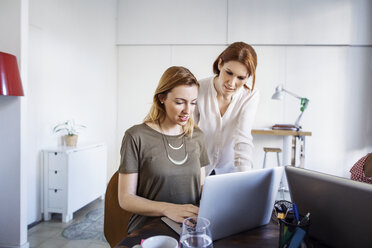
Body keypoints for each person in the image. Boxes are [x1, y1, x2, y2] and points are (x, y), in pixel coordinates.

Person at [117, 66, 209, 233]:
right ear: (161, 98)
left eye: (193, 103)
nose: (188, 110)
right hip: (148, 227)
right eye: (180, 102)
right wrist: (167, 209)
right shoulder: (135, 136)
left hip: (189, 226)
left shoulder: (197, 136)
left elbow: (201, 186)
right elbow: (126, 199)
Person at [195, 42, 259, 175]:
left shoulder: (250, 95)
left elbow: (243, 138)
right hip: (200, 167)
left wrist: (245, 178)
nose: (232, 83)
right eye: (229, 73)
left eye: (241, 78)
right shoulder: (199, 88)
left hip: (230, 171)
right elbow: (188, 133)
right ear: (220, 64)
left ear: (248, 77)